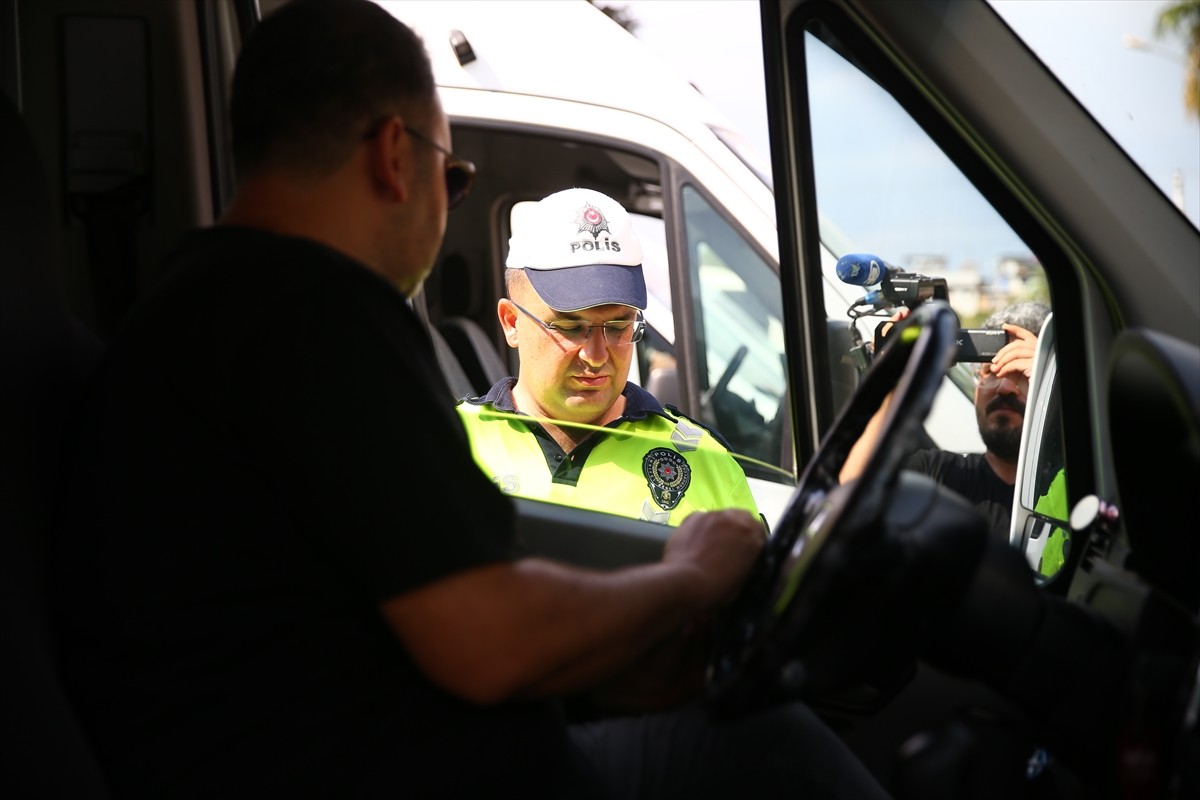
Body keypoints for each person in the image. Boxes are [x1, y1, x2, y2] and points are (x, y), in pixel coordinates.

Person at [49, 2, 888, 798]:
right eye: (453, 178)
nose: (597, 353)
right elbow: (489, 637)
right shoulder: (318, 314)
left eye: (619, 326)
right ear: (393, 155)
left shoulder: (198, 306)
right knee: (766, 746)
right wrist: (690, 576)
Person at [456, 187, 763, 528]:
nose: (597, 355)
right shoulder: (444, 443)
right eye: (571, 328)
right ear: (511, 323)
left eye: (618, 326)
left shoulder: (704, 460)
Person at [840, 300, 1051, 539]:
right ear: (976, 391)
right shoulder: (937, 476)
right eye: (991, 371)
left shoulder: (1083, 479)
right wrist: (895, 386)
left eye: (1019, 373)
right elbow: (849, 501)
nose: (1005, 387)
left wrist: (1051, 389)